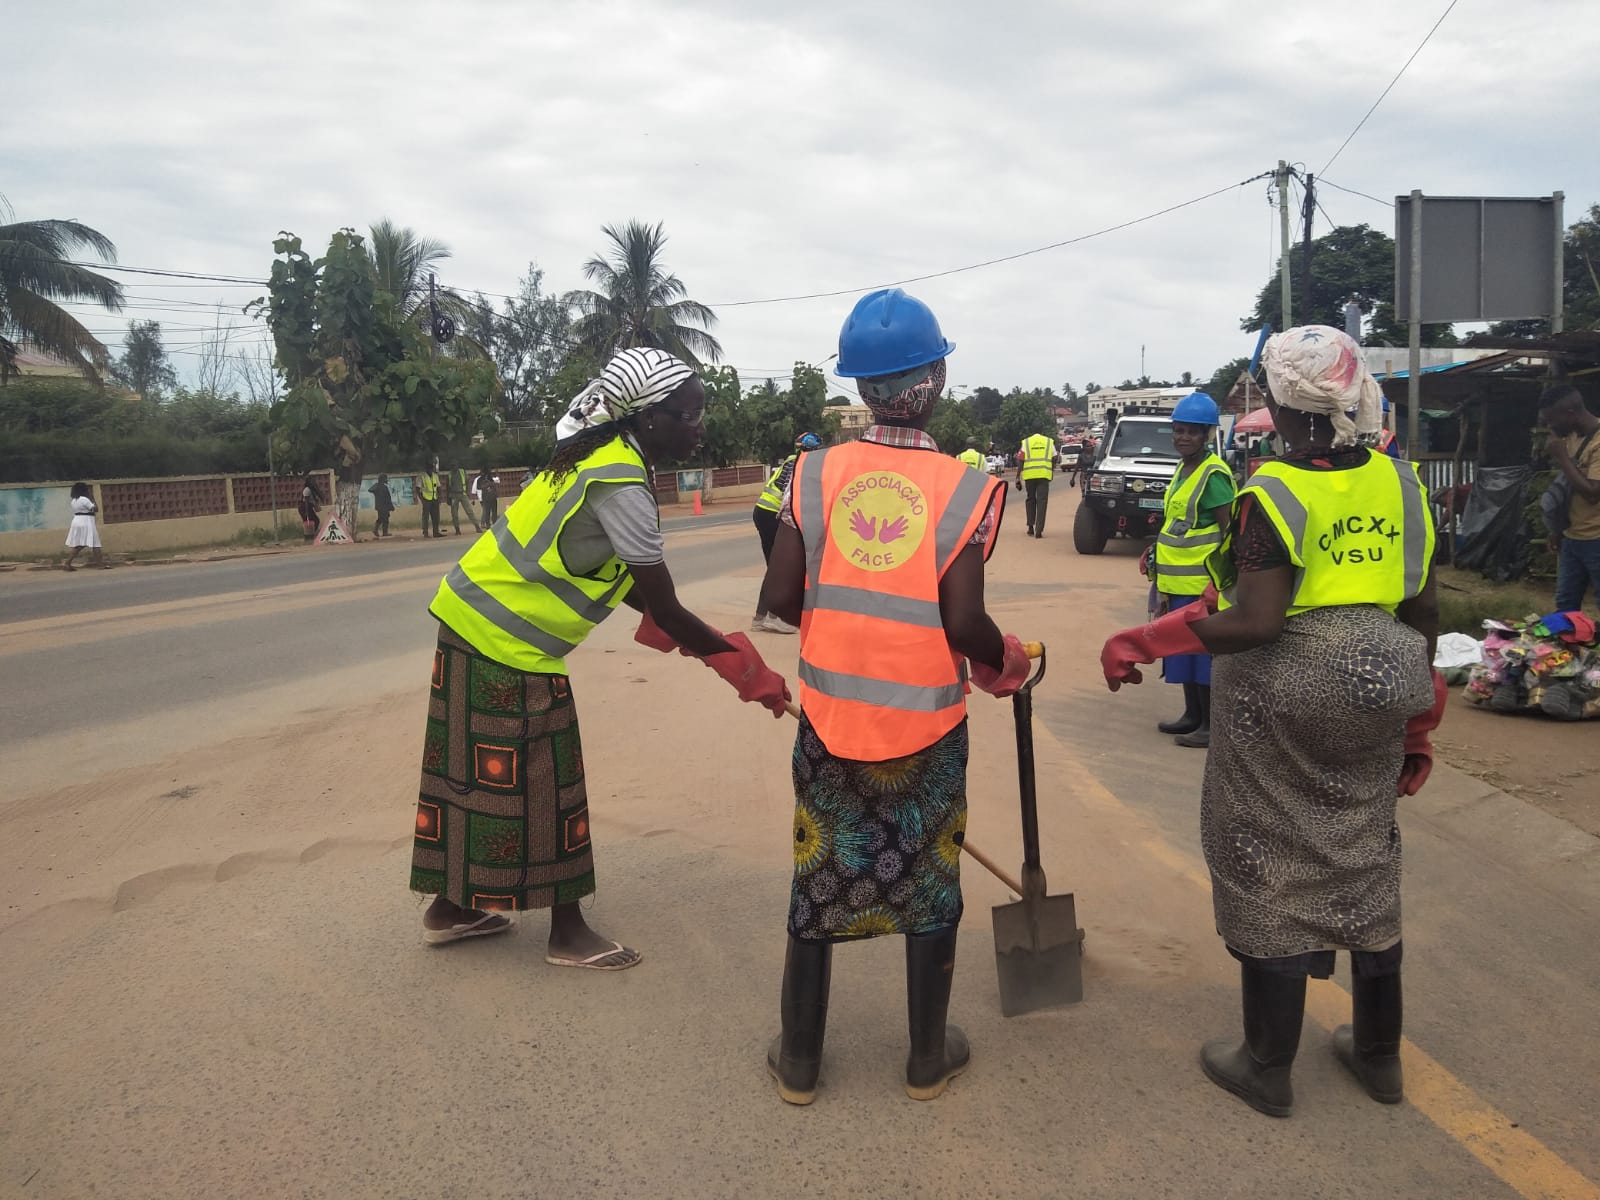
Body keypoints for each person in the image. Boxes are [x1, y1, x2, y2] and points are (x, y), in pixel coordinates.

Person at [1100, 326, 1446, 1118]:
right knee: (1365, 851)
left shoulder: (1274, 492)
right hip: (1385, 676)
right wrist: (1415, 715)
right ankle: (1378, 1057)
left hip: (1288, 683)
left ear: (1277, 402)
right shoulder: (1402, 484)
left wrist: (1152, 640)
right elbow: (1423, 610)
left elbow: (1257, 620)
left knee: (1266, 856)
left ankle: (1266, 1065)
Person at [413, 347, 790, 969]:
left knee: (467, 773)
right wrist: (744, 671)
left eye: (701, 413)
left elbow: (623, 582)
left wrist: (713, 652)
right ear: (645, 418)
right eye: (687, 415)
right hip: (505, 639)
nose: (700, 427)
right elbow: (662, 605)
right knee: (550, 778)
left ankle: (450, 908)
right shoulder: (619, 479)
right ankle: (567, 934)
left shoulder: (596, 456)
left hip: (466, 619)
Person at [757, 287, 1028, 1105]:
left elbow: (777, 597)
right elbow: (964, 619)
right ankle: (924, 1061)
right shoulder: (964, 487)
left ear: (858, 387)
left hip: (831, 724)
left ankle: (800, 1062)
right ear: (936, 378)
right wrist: (1005, 661)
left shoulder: (810, 473)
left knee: (819, 879)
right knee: (929, 881)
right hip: (929, 729)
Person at [1143, 392, 1235, 748]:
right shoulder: (1184, 469)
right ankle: (1192, 715)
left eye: (1191, 432)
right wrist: (1155, 551)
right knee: (1183, 652)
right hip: (1176, 582)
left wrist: (1221, 582)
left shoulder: (1213, 475)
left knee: (1203, 656)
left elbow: (1229, 530)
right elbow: (1179, 522)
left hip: (1202, 585)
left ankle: (1210, 725)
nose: (1183, 437)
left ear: (1207, 435)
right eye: (1178, 431)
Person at [750, 433, 821, 634]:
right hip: (772, 515)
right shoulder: (799, 463)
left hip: (764, 512)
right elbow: (791, 491)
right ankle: (774, 617)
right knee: (782, 567)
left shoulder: (792, 459)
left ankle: (760, 617)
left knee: (773, 566)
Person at [1540, 383, 1600, 613]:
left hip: (1596, 538)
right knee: (1565, 605)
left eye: (1552, 420)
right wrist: (1557, 530)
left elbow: (1592, 493)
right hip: (1572, 538)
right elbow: (1569, 491)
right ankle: (1567, 648)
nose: (1550, 427)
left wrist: (1562, 458)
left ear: (1571, 413)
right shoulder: (1572, 436)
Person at [1014, 426, 1058, 537]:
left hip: (1029, 475)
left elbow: (1020, 459)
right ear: (1042, 431)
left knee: (1030, 500)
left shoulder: (1026, 442)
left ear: (1031, 432)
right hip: (1044, 475)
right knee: (1042, 502)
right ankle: (1039, 530)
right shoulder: (1048, 441)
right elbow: (1055, 457)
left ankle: (1030, 527)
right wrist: (1051, 470)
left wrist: (1018, 477)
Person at [63, 483, 109, 570]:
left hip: (77, 521)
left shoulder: (74, 501)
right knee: (96, 544)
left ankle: (67, 562)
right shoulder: (84, 499)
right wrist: (92, 498)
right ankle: (100, 565)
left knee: (80, 544)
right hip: (86, 521)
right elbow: (95, 509)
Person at [446, 465, 481, 536]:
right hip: (454, 495)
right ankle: (457, 530)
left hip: (463, 493)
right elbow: (448, 487)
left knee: (469, 511)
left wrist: (467, 492)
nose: (454, 467)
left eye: (455, 465)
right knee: (454, 513)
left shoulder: (462, 472)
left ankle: (477, 526)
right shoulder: (449, 474)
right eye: (453, 465)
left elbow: (467, 481)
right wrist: (448, 498)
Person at [417, 460, 442, 538]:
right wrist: (422, 499)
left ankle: (436, 532)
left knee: (436, 516)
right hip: (426, 499)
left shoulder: (435, 476)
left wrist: (439, 498)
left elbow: (438, 487)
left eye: (431, 468)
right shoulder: (421, 476)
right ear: (426, 468)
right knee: (426, 517)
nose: (430, 469)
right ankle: (425, 532)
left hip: (434, 498)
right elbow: (418, 489)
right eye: (429, 468)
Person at [298, 472, 323, 542]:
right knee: (315, 520)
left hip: (306, 507)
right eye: (312, 481)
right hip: (305, 507)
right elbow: (306, 502)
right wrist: (307, 512)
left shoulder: (310, 490)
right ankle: (310, 536)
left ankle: (309, 537)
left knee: (310, 522)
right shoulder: (307, 490)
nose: (314, 483)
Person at [369, 473, 395, 538]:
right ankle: (384, 532)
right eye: (385, 478)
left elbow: (371, 490)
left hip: (380, 506)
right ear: (383, 479)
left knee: (381, 518)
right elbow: (388, 498)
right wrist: (391, 506)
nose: (387, 480)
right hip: (383, 506)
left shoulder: (380, 486)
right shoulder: (382, 487)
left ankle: (376, 530)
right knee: (385, 519)